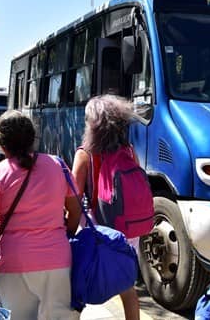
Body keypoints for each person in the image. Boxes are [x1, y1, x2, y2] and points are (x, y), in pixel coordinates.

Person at [0, 110, 81, 320]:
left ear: (2, 143)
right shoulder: (59, 166)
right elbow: (75, 210)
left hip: (13, 264)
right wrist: (63, 236)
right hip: (58, 262)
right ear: (32, 139)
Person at [72, 94, 141, 320]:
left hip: (98, 231)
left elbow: (73, 197)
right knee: (127, 288)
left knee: (78, 283)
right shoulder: (130, 151)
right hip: (128, 230)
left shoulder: (85, 155)